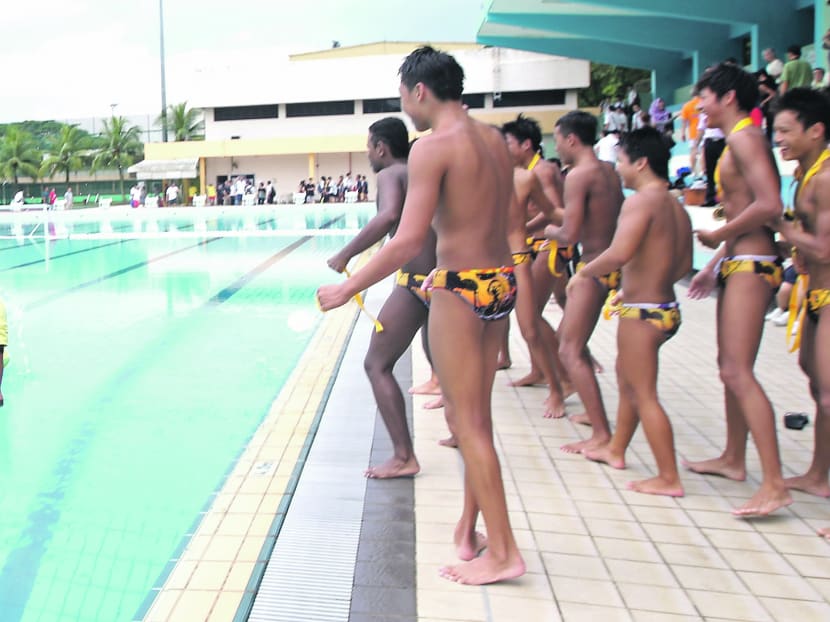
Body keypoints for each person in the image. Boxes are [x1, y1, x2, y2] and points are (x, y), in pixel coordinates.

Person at [318, 46, 525, 585]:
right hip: (501, 283)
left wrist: (348, 286)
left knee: (467, 423)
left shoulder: (433, 148)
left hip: (460, 289)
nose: (405, 108)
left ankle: (504, 552)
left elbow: (408, 239)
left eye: (403, 96)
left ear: (419, 91)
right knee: (475, 420)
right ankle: (470, 529)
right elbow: (497, 218)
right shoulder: (494, 140)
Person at [685, 62, 792, 516]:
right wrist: (714, 264)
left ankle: (775, 483)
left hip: (753, 263)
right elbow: (747, 206)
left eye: (705, 98)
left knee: (737, 371)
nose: (700, 108)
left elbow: (769, 205)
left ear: (728, 97)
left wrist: (717, 236)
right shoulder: (735, 140)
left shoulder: (746, 138)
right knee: (728, 367)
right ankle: (733, 457)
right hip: (738, 261)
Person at [579, 127, 693, 497]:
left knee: (644, 394)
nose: (619, 168)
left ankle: (668, 477)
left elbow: (619, 252)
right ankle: (616, 449)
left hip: (643, 313)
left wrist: (583, 273)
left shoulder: (641, 202)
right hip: (664, 307)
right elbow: (683, 265)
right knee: (628, 381)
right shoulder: (676, 206)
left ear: (641, 163)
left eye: (622, 161)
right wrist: (639, 286)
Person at [326, 117, 435, 479]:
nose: (368, 153)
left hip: (416, 283)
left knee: (377, 364)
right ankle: (458, 432)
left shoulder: (391, 174)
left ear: (381, 147)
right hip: (441, 281)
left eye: (368, 147)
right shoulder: (420, 172)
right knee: (444, 365)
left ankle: (404, 456)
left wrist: (345, 255)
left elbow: (389, 216)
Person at [768, 88, 830, 535]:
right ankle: (819, 474)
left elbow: (825, 248)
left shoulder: (825, 179)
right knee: (816, 382)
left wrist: (781, 226)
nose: (779, 139)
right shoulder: (803, 174)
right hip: (815, 295)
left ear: (816, 130)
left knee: (828, 394)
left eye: (786, 131)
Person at [545, 110, 624, 452]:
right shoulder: (609, 171)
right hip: (611, 262)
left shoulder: (579, 175)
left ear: (571, 139)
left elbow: (569, 234)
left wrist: (547, 229)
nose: (557, 147)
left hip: (593, 267)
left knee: (569, 348)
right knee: (566, 339)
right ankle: (595, 416)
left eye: (558, 140)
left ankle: (602, 434)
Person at [500, 117, 567, 419]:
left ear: (525, 145)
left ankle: (558, 387)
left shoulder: (531, 175)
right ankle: (546, 371)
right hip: (498, 260)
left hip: (524, 255)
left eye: (508, 143)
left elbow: (554, 211)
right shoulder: (492, 177)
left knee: (530, 326)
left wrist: (578, 224)